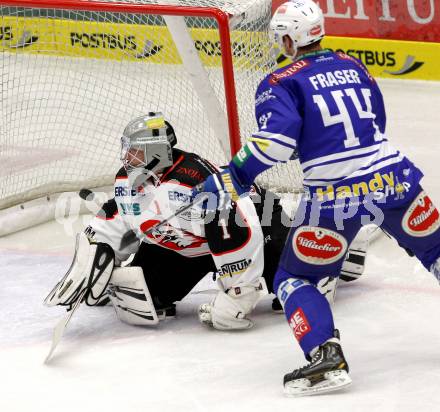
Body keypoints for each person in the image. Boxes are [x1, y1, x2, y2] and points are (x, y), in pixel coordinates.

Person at [193, 0, 440, 397]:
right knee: (436, 250)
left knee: (296, 278)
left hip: (335, 197)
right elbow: (374, 122)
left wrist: (234, 175)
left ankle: (325, 357)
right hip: (396, 179)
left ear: (289, 39)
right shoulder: (354, 65)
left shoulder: (280, 81)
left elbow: (274, 143)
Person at [45, 111, 368, 330]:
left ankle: (339, 248)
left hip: (257, 226)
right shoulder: (128, 180)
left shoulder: (192, 181)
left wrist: (238, 292)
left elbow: (240, 231)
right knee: (144, 298)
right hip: (192, 245)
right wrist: (98, 251)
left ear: (157, 151)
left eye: (135, 152)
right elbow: (116, 214)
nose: (128, 159)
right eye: (127, 151)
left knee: (294, 290)